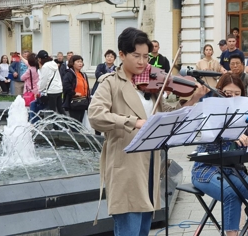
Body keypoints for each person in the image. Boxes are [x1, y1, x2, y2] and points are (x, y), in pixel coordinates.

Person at [88, 27, 208, 235]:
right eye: (136, 56)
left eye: (146, 56)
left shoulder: (150, 85)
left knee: (143, 230)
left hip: (150, 167)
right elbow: (95, 116)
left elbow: (168, 114)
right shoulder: (110, 84)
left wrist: (194, 99)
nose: (143, 62)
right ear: (122, 54)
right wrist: (134, 122)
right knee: (129, 230)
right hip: (126, 169)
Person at [192, 72, 248, 236]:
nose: (232, 98)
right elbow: (209, 141)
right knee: (232, 195)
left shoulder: (247, 114)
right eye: (227, 94)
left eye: (237, 94)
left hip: (233, 170)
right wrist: (231, 134)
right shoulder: (210, 112)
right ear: (219, 92)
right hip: (206, 169)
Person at [62, 55, 90, 125]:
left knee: (80, 123)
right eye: (78, 62)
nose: (80, 63)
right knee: (74, 123)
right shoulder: (69, 74)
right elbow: (65, 86)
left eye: (81, 62)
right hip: (74, 102)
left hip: (83, 102)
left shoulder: (83, 74)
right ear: (73, 63)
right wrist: (74, 93)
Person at [37, 50, 65, 118]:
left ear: (40, 59)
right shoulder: (54, 63)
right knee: (60, 109)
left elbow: (44, 80)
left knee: (52, 111)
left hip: (51, 91)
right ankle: (67, 124)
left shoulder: (45, 66)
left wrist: (39, 89)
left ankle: (55, 127)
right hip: (58, 89)